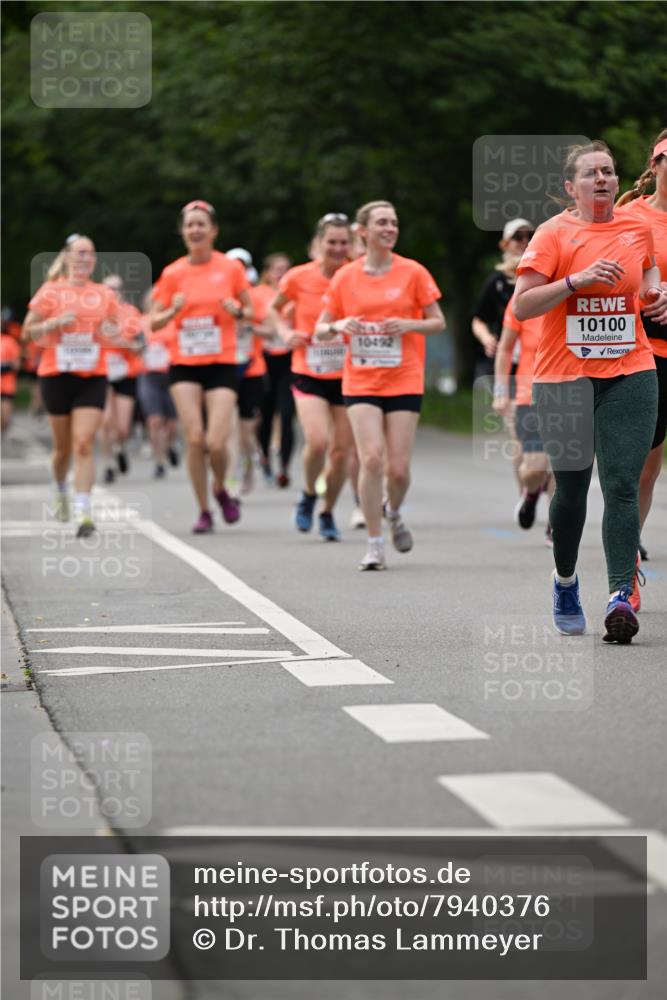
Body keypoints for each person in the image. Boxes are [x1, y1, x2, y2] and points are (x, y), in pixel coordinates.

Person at [513, 140, 667, 643]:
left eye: (607, 171)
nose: (601, 179)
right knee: (573, 488)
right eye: (589, 174)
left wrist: (654, 293)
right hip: (564, 378)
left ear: (617, 182)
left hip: (631, 370)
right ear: (570, 188)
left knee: (622, 485)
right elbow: (523, 306)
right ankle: (564, 582)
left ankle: (620, 595)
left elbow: (647, 269)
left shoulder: (635, 225)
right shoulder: (554, 233)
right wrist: (574, 281)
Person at [315, 200, 445, 570]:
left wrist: (409, 325)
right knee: (371, 458)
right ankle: (374, 544)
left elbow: (438, 322)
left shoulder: (413, 272)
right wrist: (338, 326)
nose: (390, 228)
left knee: (398, 470)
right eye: (382, 223)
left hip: (403, 376)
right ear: (363, 231)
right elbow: (320, 327)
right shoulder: (346, 277)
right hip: (361, 379)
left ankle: (393, 508)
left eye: (394, 222)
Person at [150, 200, 252, 533]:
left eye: (201, 224)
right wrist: (172, 311)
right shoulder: (173, 273)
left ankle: (221, 488)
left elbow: (250, 313)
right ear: (182, 232)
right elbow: (154, 322)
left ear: (214, 231)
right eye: (190, 224)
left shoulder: (231, 269)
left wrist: (235, 309)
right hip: (185, 363)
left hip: (222, 361)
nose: (195, 230)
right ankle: (204, 509)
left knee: (217, 441)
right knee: (194, 438)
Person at [22, 234, 127, 537]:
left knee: (83, 444)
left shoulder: (103, 294)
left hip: (92, 376)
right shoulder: (51, 291)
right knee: (62, 450)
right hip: (56, 376)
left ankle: (84, 512)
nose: (84, 259)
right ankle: (59, 488)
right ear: (67, 257)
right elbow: (29, 333)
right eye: (79, 253)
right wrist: (55, 324)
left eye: (90, 254)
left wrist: (110, 332)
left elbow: (114, 330)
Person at [268, 215, 353, 541]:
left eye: (343, 242)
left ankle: (328, 511)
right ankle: (307, 493)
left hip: (349, 374)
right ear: (319, 243)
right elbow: (274, 309)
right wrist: (285, 332)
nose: (337, 248)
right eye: (331, 242)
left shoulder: (355, 275)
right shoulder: (298, 277)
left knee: (341, 452)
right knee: (317, 441)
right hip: (309, 370)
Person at [616, 128, 667, 602]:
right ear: (654, 165)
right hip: (646, 353)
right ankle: (625, 567)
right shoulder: (627, 217)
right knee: (644, 470)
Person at [493, 301, 553, 540]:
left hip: (572, 393)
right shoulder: (524, 301)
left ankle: (555, 525)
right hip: (530, 395)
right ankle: (531, 493)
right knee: (535, 468)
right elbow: (505, 348)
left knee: (565, 465)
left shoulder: (577, 294)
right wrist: (500, 391)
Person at [471, 218, 534, 382]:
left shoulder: (541, 276)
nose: (525, 241)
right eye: (518, 237)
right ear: (506, 244)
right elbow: (479, 319)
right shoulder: (497, 282)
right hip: (507, 357)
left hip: (537, 358)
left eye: (530, 236)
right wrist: (487, 338)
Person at [100, 274, 145, 483]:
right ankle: (108, 464)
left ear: (122, 292)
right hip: (102, 373)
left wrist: (122, 342)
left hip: (126, 373)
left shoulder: (131, 313)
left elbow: (140, 346)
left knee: (123, 427)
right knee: (107, 421)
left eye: (116, 289)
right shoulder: (94, 313)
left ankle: (119, 448)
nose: (112, 293)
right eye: (108, 288)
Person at [256, 253, 294, 487]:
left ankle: (285, 467)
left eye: (285, 269)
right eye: (277, 269)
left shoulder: (295, 292)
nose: (281, 273)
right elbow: (248, 323)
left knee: (287, 414)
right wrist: (268, 330)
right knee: (266, 415)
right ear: (268, 272)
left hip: (290, 359)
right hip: (264, 359)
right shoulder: (257, 294)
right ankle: (266, 459)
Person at [136, 290, 179, 479]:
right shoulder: (140, 323)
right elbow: (131, 345)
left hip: (171, 376)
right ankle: (159, 461)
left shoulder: (171, 321)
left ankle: (168, 445)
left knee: (171, 424)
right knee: (154, 420)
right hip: (149, 376)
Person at [1, 325, 20, 434]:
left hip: (7, 384)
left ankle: (5, 429)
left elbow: (16, 364)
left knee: (5, 416)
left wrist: (5, 366)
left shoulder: (10, 342)